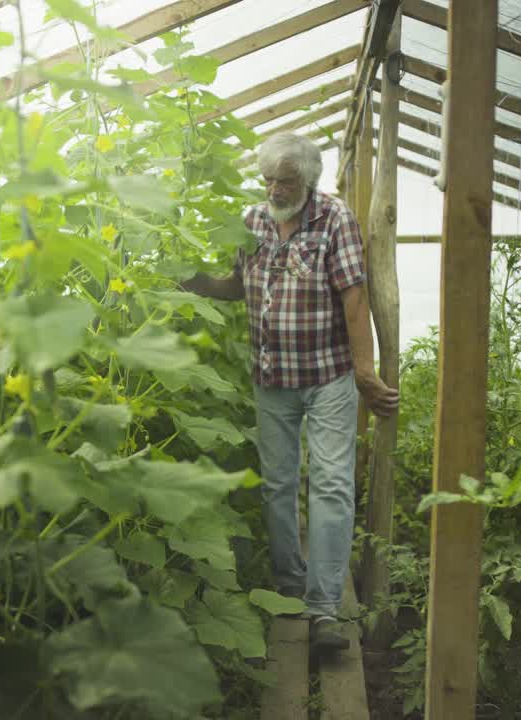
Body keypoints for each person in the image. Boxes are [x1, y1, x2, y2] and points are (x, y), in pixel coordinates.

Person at [182, 132, 399, 653]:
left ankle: (325, 610)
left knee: (329, 485)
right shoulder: (253, 220)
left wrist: (365, 372)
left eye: (285, 180)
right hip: (271, 375)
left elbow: (353, 295)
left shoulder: (334, 219)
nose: (275, 189)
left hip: (327, 375)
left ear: (309, 179)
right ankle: (289, 588)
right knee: (278, 485)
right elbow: (240, 283)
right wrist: (195, 282)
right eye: (268, 179)